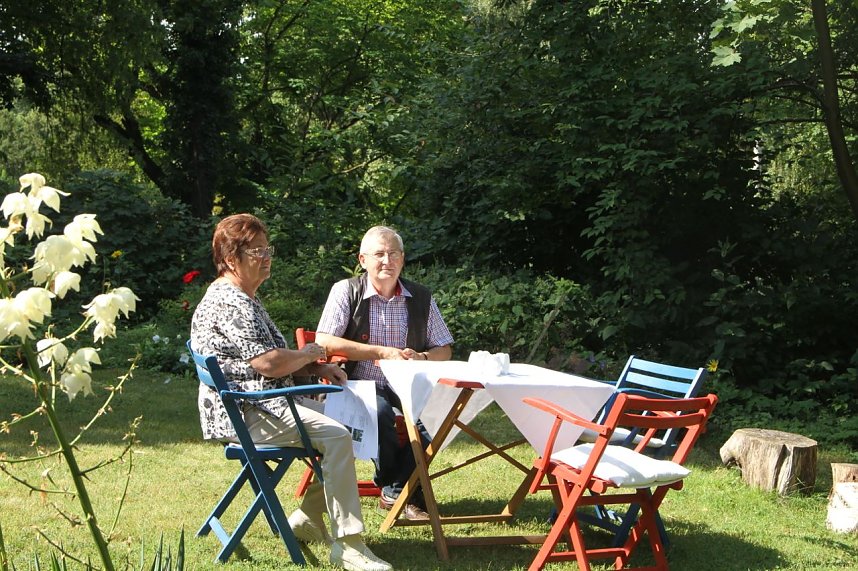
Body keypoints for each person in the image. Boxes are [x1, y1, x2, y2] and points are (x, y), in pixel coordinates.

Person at [191, 214, 393, 571]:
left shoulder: (243, 296)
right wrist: (309, 354)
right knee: (336, 435)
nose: (266, 257)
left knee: (349, 422)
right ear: (229, 258)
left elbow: (268, 361)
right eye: (256, 251)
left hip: (259, 403)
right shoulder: (230, 302)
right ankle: (349, 545)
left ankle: (308, 518)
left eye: (267, 249)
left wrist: (315, 368)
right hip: (248, 412)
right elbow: (267, 363)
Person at [315, 225, 454, 521]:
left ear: (402, 259)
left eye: (393, 254)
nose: (386, 261)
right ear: (362, 260)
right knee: (379, 412)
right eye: (378, 254)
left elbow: (445, 349)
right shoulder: (347, 290)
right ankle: (401, 491)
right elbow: (324, 342)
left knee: (442, 418)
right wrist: (380, 351)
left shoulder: (420, 296)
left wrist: (423, 356)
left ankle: (396, 489)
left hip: (409, 385)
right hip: (356, 382)